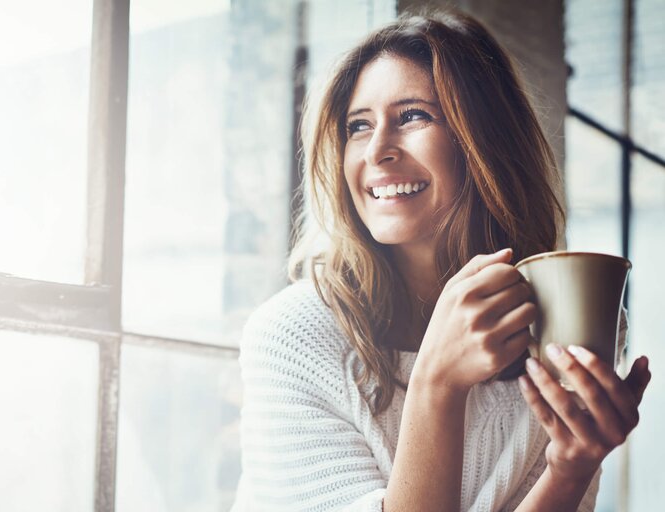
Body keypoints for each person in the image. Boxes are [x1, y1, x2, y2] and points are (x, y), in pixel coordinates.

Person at [230, 11, 651, 512]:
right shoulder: (293, 335)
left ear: (484, 143)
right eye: (358, 126)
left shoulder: (561, 327)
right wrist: (437, 383)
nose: (378, 151)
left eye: (413, 116)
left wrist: (570, 468)